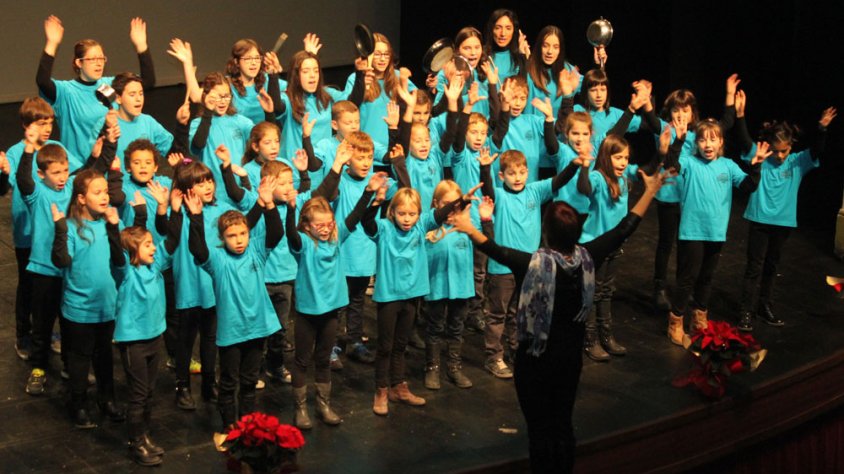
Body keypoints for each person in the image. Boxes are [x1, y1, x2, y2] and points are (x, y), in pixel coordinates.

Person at [451, 165, 669, 473]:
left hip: (535, 361)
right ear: (577, 233)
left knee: (539, 432)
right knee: (562, 425)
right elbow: (625, 228)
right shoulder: (589, 257)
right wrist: (649, 191)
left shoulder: (534, 264)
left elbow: (496, 251)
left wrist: (468, 226)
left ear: (546, 232)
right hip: (569, 358)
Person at [365, 180, 479, 416]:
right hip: (389, 296)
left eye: (412, 214)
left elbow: (441, 212)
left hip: (412, 294)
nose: (407, 219)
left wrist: (463, 200)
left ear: (419, 213)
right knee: (385, 346)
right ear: (393, 212)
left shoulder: (421, 226)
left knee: (401, 345)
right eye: (402, 213)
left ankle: (398, 385)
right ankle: (381, 390)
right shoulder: (385, 229)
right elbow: (366, 222)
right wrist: (375, 201)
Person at [185, 175, 283, 431]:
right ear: (222, 238)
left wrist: (268, 204)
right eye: (232, 236)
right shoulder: (217, 259)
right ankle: (230, 427)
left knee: (249, 382)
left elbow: (276, 233)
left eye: (242, 234)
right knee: (228, 382)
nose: (239, 240)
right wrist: (196, 218)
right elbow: (197, 249)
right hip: (232, 331)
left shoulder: (256, 252)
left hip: (258, 326)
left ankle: (248, 426)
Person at [286, 173, 379, 429]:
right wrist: (290, 210)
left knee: (324, 358)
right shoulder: (304, 242)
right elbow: (290, 236)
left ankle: (323, 405)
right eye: (320, 225)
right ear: (307, 226)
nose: (326, 229)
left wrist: (368, 192)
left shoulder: (336, 238)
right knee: (303, 359)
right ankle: (300, 408)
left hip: (330, 312)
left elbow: (355, 216)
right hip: (307, 311)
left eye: (329, 224)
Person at [735, 100, 837, 330]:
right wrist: (740, 116)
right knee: (754, 267)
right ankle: (745, 312)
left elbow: (817, 150)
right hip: (760, 219)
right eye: (776, 150)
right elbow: (744, 140)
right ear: (768, 144)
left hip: (783, 223)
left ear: (791, 146)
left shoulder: (797, 161)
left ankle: (764, 306)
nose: (780, 155)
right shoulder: (761, 156)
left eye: (785, 150)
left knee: (772, 265)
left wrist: (822, 129)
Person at [666, 119, 769, 345]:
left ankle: (699, 318)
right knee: (687, 278)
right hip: (692, 232)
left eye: (713, 139)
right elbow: (671, 164)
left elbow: (748, 186)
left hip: (715, 232)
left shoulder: (728, 166)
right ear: (697, 143)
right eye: (702, 139)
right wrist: (679, 139)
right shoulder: (690, 162)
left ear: (721, 142)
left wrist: (757, 166)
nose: (707, 144)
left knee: (706, 277)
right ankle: (675, 322)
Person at [50, 164, 127, 429]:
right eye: (97, 192)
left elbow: (120, 262)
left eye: (106, 191)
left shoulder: (111, 224)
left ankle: (106, 399)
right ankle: (78, 402)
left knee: (104, 355)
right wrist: (60, 229)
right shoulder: (71, 227)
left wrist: (115, 230)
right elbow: (61, 260)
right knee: (80, 358)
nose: (105, 197)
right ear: (81, 198)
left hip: (107, 306)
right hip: (79, 308)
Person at [111, 183, 182, 466]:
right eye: (147, 245)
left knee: (149, 392)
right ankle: (135, 442)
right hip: (134, 341)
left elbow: (173, 240)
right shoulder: (126, 272)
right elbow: (117, 254)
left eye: (152, 243)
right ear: (133, 252)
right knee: (138, 394)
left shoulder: (155, 266)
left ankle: (145, 436)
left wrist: (171, 209)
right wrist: (112, 227)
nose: (154, 247)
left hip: (155, 337)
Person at [36, 15, 154, 160]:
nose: (99, 64)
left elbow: (147, 82)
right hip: (81, 169)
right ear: (79, 63)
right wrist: (52, 44)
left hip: (110, 165)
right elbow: (42, 81)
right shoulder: (67, 91)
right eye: (92, 59)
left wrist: (141, 46)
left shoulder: (109, 85)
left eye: (101, 59)